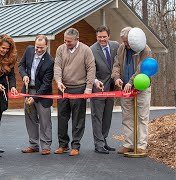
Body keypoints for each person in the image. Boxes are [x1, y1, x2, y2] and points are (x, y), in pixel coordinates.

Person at [54, 28, 96, 156]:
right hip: (63, 88)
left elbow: (91, 68)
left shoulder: (86, 50)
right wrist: (58, 81)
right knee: (62, 117)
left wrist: (88, 88)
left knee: (78, 119)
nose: (66, 43)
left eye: (69, 41)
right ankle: (63, 145)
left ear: (77, 39)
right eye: (65, 40)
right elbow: (57, 66)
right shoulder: (60, 49)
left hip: (79, 88)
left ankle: (75, 145)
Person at [111, 27, 152, 154]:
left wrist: (130, 82)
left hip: (141, 88)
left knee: (142, 117)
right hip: (125, 89)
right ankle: (128, 144)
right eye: (124, 41)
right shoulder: (121, 48)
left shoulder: (145, 50)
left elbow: (141, 68)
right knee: (127, 117)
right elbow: (116, 64)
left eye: (127, 42)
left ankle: (141, 145)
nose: (126, 44)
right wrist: (116, 78)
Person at [18, 35, 54, 155]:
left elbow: (46, 84)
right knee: (30, 118)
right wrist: (24, 75)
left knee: (45, 120)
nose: (39, 50)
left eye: (41, 48)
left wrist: (35, 98)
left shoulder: (50, 61)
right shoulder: (28, 50)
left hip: (43, 94)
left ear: (46, 46)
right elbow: (21, 65)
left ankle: (46, 146)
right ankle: (33, 145)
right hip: (28, 90)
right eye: (37, 47)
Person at [90, 26, 119, 154]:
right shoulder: (91, 50)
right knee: (97, 117)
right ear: (96, 37)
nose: (102, 39)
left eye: (104, 36)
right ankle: (98, 144)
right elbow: (89, 70)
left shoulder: (115, 46)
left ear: (109, 36)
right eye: (99, 37)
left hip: (112, 88)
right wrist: (95, 81)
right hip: (98, 88)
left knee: (107, 116)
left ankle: (104, 140)